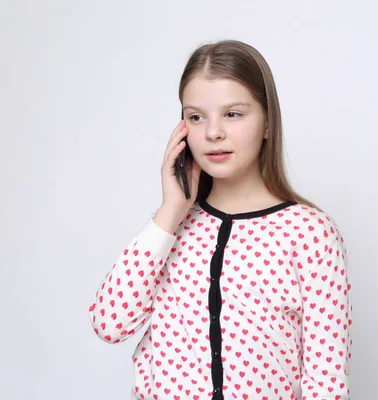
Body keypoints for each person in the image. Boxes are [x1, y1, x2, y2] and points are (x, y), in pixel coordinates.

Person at [88, 39, 353, 400]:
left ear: (268, 124)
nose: (213, 132)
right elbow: (109, 323)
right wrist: (170, 210)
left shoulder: (309, 233)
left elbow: (326, 381)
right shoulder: (171, 229)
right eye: (196, 117)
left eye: (233, 114)